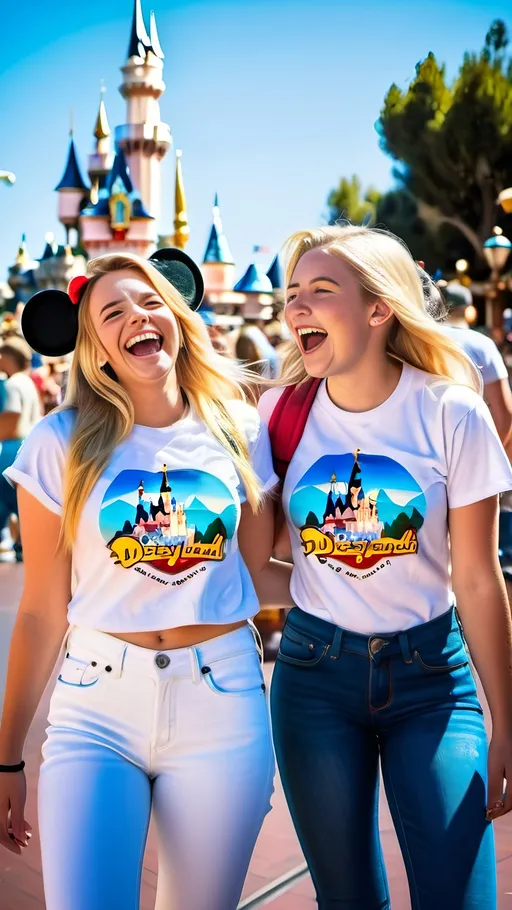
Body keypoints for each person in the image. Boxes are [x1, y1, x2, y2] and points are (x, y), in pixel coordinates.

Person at [0, 248, 277, 910]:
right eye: (113, 311)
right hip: (96, 706)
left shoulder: (240, 430)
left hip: (224, 701)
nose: (137, 317)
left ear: (178, 316)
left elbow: (262, 571)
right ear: (94, 346)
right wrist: (7, 754)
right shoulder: (58, 442)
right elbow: (41, 606)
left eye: (151, 301)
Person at [258, 225, 512, 909]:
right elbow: (257, 567)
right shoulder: (278, 413)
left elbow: (479, 578)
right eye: (292, 294)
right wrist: (322, 587)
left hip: (434, 680)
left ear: (379, 308)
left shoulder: (451, 412)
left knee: (460, 895)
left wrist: (508, 719)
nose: (296, 308)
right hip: (313, 680)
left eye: (320, 291)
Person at [440, 281, 512, 451]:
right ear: (468, 310)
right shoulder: (481, 344)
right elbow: (504, 414)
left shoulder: (411, 341)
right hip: (470, 449)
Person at [0, 336, 41, 561]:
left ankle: (24, 545)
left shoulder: (14, 382)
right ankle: (23, 544)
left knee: (9, 502)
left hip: (11, 450)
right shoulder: (28, 382)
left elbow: (12, 415)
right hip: (26, 446)